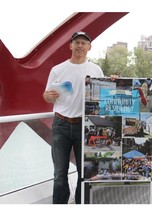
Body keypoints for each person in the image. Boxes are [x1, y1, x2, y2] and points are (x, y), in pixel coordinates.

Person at [43, 31, 104, 204]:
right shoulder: (57, 70)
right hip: (60, 125)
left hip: (84, 126)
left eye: (84, 43)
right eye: (76, 42)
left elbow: (105, 94)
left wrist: (113, 81)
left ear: (89, 47)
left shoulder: (96, 70)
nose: (80, 46)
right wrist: (49, 96)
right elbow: (46, 95)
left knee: (83, 173)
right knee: (59, 174)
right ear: (70, 45)